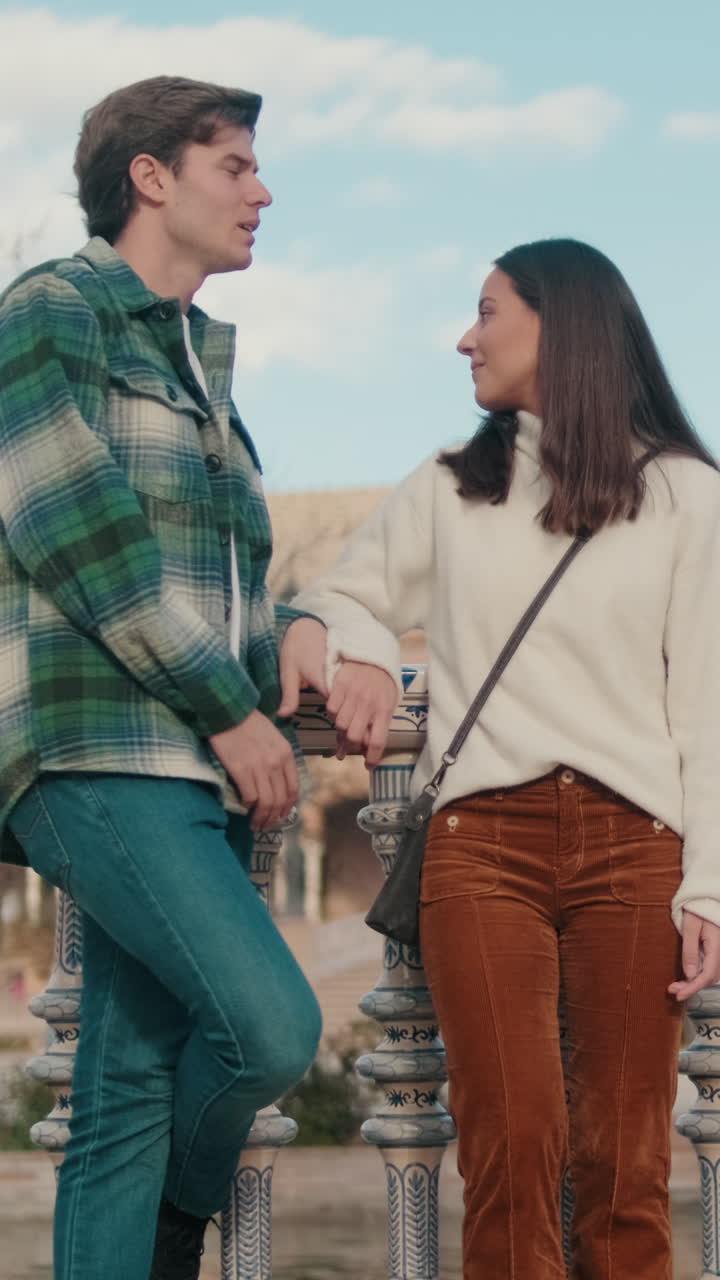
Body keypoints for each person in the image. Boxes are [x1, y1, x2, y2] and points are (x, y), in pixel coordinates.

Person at [281, 238, 720, 1278]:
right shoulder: (447, 489)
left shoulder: (689, 496)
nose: (463, 336)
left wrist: (709, 882)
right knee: (511, 1152)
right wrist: (375, 659)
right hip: (482, 850)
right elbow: (336, 597)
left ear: (560, 322)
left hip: (635, 846)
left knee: (624, 1167)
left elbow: (710, 703)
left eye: (486, 310)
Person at [0, 75, 325, 1280]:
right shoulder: (52, 309)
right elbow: (78, 536)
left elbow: (215, 583)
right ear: (151, 176)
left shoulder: (207, 387)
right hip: (96, 752)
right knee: (272, 1024)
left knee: (126, 1091)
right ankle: (172, 1239)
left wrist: (289, 628)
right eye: (234, 164)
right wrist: (233, 708)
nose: (261, 188)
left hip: (184, 758)